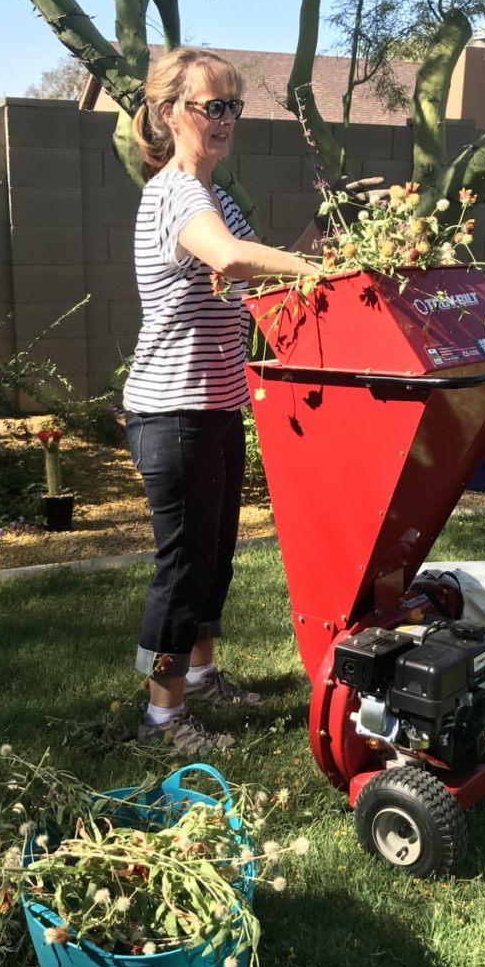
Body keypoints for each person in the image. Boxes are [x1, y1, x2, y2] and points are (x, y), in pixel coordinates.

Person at [124, 47, 320, 751]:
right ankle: (161, 716)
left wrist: (323, 232)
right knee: (181, 568)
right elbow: (232, 259)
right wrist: (309, 263)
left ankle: (201, 679)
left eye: (234, 106)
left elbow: (256, 289)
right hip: (171, 412)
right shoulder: (177, 193)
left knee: (216, 557)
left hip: (214, 406)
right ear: (171, 113)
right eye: (213, 105)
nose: (226, 118)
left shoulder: (219, 199)